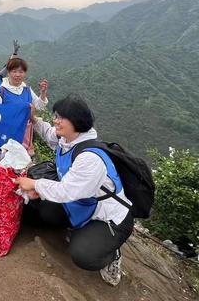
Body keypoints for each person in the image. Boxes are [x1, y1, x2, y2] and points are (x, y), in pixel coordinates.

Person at [15, 96, 133, 286]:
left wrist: (34, 184)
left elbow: (66, 191)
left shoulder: (90, 158)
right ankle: (78, 229)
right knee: (43, 210)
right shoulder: (67, 140)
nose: (55, 121)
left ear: (77, 122)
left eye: (61, 118)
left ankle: (111, 255)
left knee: (83, 255)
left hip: (108, 218)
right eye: (56, 116)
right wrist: (34, 119)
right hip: (83, 204)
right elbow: (48, 133)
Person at [0, 58, 48, 155]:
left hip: (26, 138)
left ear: (25, 73)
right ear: (8, 72)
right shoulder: (0, 92)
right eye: (14, 71)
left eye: (21, 72)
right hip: (7, 140)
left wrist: (43, 93)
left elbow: (39, 106)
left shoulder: (27, 90)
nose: (17, 75)